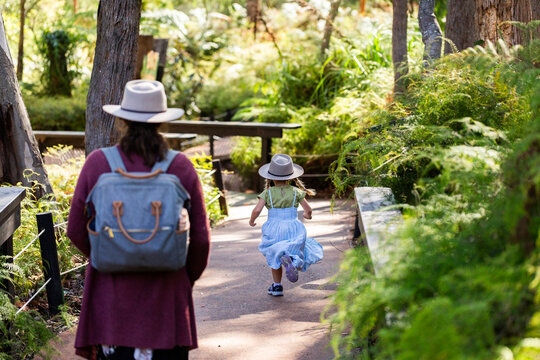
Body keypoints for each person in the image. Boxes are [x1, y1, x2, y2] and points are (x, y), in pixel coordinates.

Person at [67, 80, 210, 360]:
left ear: (122, 120)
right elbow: (202, 239)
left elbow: (75, 229)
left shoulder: (98, 163)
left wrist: (108, 253)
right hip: (166, 298)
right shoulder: (180, 166)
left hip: (112, 298)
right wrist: (181, 274)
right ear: (162, 121)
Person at [249, 153, 323, 296]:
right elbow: (308, 209)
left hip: (274, 228)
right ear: (291, 176)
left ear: (270, 177)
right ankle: (293, 261)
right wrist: (308, 215)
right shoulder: (296, 192)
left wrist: (252, 221)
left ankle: (277, 287)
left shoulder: (267, 193)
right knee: (295, 249)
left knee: (275, 255)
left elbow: (257, 209)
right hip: (293, 226)